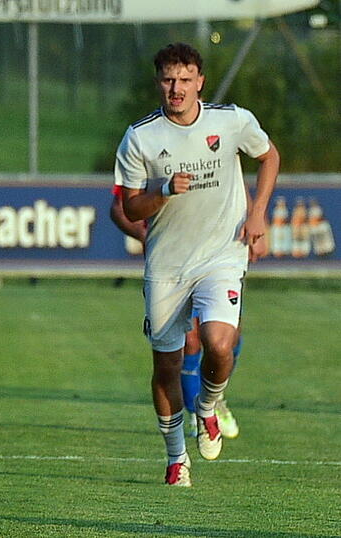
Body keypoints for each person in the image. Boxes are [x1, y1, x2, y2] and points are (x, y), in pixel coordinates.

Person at [115, 42, 279, 487]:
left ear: (200, 82)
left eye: (185, 79)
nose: (177, 88)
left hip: (222, 253)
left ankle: (208, 404)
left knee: (218, 342)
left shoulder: (231, 121)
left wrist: (258, 211)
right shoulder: (141, 137)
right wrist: (163, 190)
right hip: (167, 263)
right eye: (169, 80)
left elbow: (268, 156)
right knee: (166, 366)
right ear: (159, 84)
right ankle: (176, 458)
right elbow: (130, 209)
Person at [110, 186, 243, 440]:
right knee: (189, 343)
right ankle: (196, 415)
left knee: (227, 339)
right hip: (173, 261)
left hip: (219, 255)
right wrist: (142, 233)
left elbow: (241, 178)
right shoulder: (146, 149)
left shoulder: (221, 150)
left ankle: (214, 399)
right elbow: (119, 205)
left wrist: (259, 216)